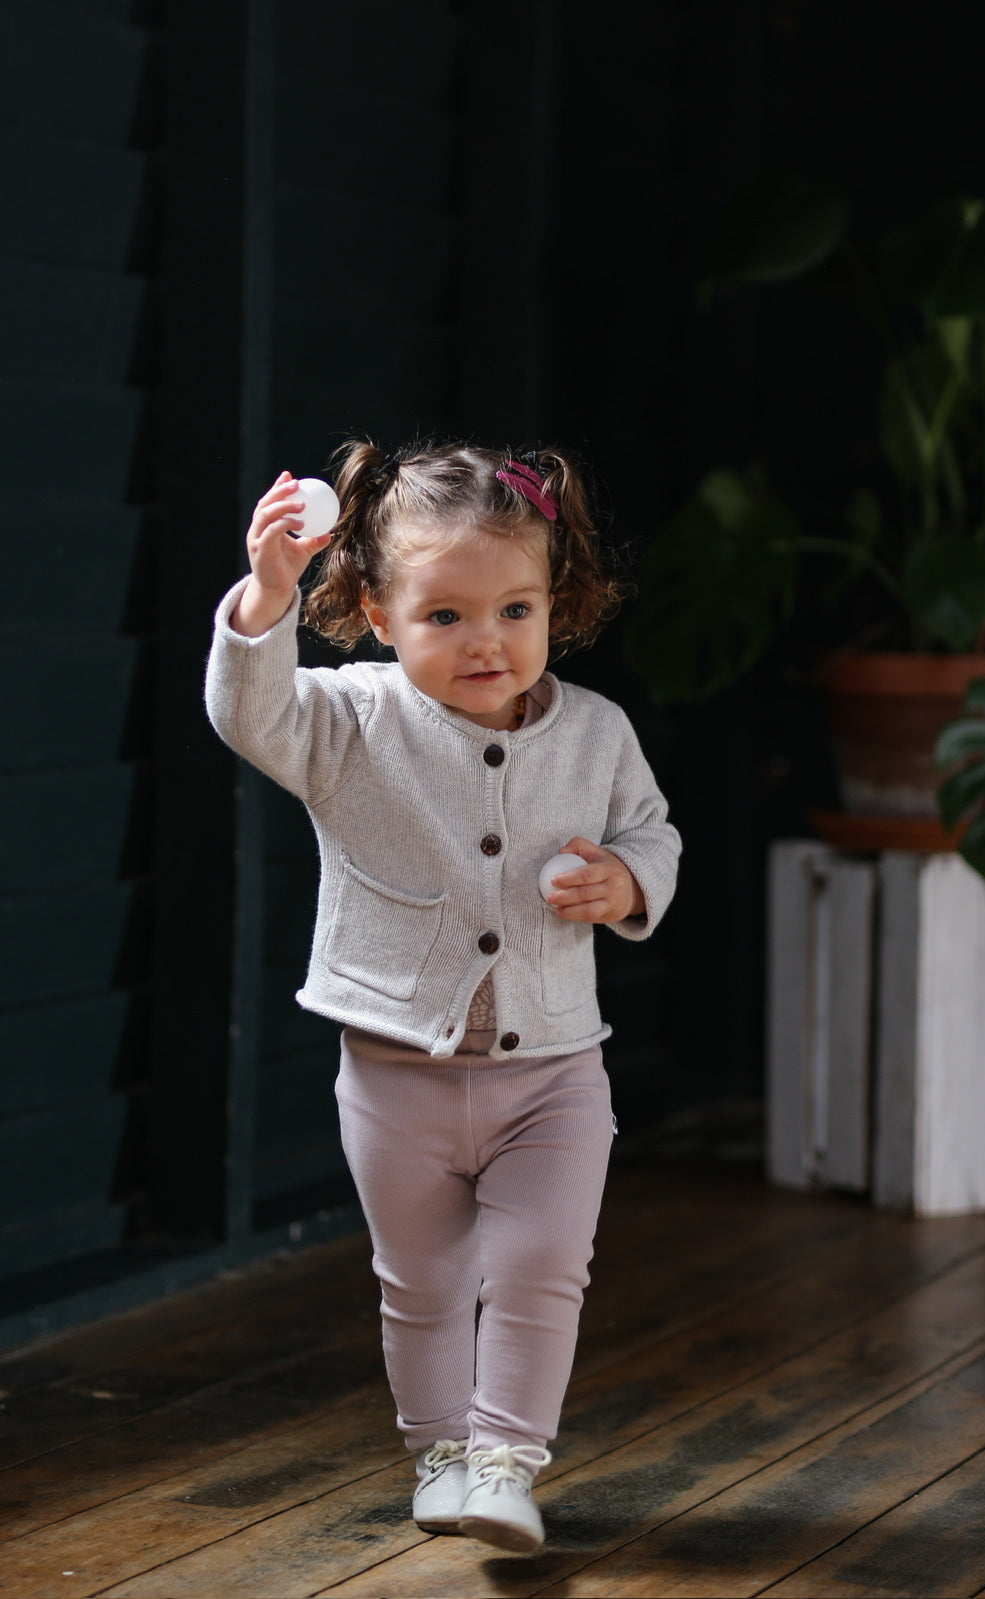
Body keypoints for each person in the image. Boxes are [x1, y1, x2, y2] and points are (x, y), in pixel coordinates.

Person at [205, 440, 681, 1553]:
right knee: (418, 1283)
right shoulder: (346, 722)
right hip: (392, 1076)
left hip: (554, 1070)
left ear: (555, 603)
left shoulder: (598, 734)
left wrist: (626, 882)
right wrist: (266, 598)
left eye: (515, 608)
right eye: (445, 617)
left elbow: (650, 832)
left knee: (538, 1270)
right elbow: (248, 714)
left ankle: (507, 1460)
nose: (487, 642)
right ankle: (440, 1456)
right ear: (377, 612)